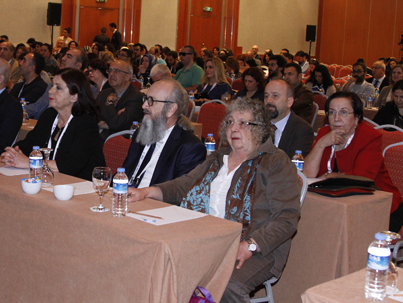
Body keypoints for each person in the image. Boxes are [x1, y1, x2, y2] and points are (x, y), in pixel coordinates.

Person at [128, 97, 300, 303]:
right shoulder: (218, 157)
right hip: (208, 240)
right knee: (155, 257)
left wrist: (250, 246)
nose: (234, 128)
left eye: (243, 123)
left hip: (257, 248)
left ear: (260, 129)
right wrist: (147, 192)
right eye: (230, 122)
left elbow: (286, 218)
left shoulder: (276, 162)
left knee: (226, 285)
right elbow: (185, 184)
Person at [304, 92, 403, 232]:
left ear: (357, 118)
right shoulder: (324, 133)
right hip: (337, 203)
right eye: (332, 112)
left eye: (343, 112)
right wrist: (321, 144)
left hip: (380, 206)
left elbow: (362, 177)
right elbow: (308, 174)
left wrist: (329, 177)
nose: (336, 118)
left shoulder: (370, 137)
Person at [1, 68, 104, 180]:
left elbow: (70, 166)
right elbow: (28, 144)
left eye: (58, 88)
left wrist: (29, 162)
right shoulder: (49, 115)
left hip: (81, 184)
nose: (50, 91)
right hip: (52, 179)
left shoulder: (86, 123)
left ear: (74, 97)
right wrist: (15, 153)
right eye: (52, 85)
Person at [122, 78, 205, 187]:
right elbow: (125, 173)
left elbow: (180, 193)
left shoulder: (190, 148)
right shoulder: (141, 133)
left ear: (171, 109)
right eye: (145, 99)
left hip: (154, 197)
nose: (144, 105)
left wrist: (144, 193)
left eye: (151, 100)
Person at [265, 79, 314, 158]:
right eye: (266, 96)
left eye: (275, 96)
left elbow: (293, 164)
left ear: (289, 102)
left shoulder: (302, 130)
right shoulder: (256, 124)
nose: (268, 100)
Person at [96, 60, 144, 140]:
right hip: (97, 138)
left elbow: (116, 124)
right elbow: (93, 117)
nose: (111, 74)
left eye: (116, 71)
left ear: (127, 76)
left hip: (117, 143)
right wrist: (107, 122)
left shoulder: (136, 97)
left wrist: (110, 102)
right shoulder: (104, 93)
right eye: (110, 70)